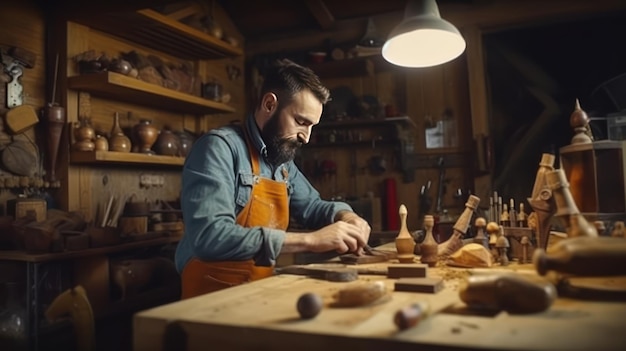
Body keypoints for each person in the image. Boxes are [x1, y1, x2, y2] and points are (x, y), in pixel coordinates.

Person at [175, 58, 371, 298]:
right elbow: (210, 236)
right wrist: (310, 241)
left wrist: (346, 215)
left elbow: (313, 206)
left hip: (258, 291)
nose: (306, 137)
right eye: (301, 122)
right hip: (210, 295)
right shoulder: (219, 148)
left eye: (312, 126)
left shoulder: (282, 162)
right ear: (269, 104)